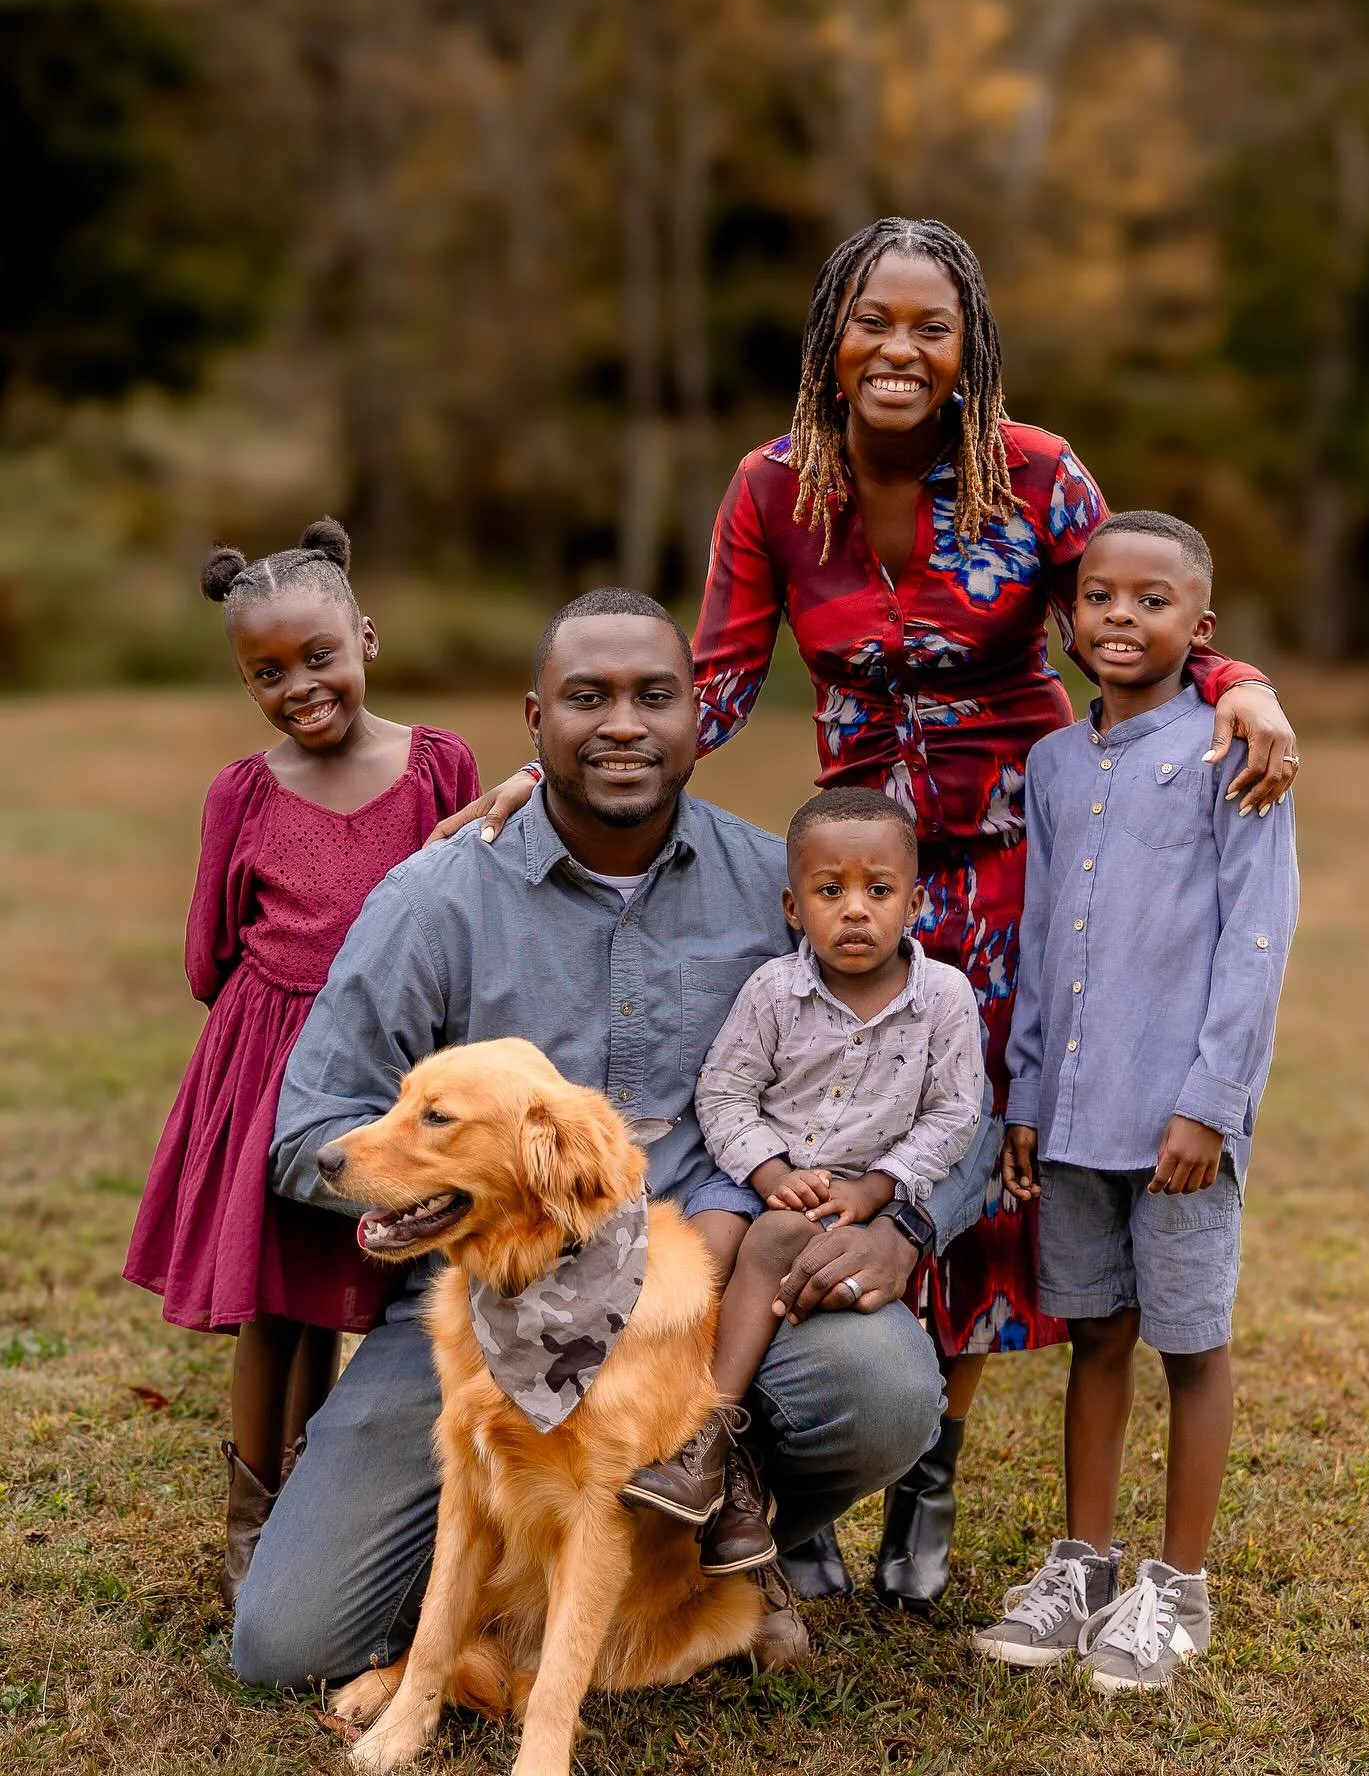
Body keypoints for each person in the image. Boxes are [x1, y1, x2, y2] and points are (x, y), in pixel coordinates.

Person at [429, 217, 1300, 1608]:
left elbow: (1135, 608)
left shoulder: (1036, 473)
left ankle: (930, 1466)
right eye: (873, 322)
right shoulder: (774, 488)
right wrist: (563, 766)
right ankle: (828, 1462)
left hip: (1015, 858)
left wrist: (1240, 683)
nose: (900, 349)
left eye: (930, 327)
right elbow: (713, 681)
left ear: (968, 350)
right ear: (831, 337)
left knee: (972, 1152)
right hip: (861, 867)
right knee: (841, 1133)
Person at [230, 589, 1000, 1689]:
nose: (624, 724)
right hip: (489, 1313)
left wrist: (906, 1228)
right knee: (289, 1646)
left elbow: (954, 1090)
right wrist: (468, 1188)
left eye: (655, 696)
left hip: (712, 1300)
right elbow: (311, 1127)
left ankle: (710, 1533)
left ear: (699, 714)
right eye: (587, 698)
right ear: (534, 719)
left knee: (881, 1389)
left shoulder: (787, 890)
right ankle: (516, 1589)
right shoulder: (437, 900)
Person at [123, 520, 480, 1608]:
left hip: (392, 1068)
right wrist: (274, 1019)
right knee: (272, 1305)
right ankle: (253, 1516)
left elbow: (466, 909)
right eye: (267, 673)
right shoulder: (242, 792)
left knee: (341, 1289)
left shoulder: (439, 767)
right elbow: (207, 955)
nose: (300, 688)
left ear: (365, 638)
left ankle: (323, 1490)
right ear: (246, 681)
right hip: (269, 1061)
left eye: (319, 657)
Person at [970, 512, 1299, 1690]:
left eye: (1152, 601)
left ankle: (1177, 1588)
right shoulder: (1054, 765)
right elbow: (1039, 932)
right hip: (1073, 1115)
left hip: (1178, 1124)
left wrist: (1212, 1101)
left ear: (1201, 627)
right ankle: (1084, 1566)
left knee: (1190, 1344)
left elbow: (1257, 937)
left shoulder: (1233, 750)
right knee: (1096, 1337)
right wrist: (1025, 1091)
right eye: (1100, 596)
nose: (1121, 616)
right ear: (1068, 619)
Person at [621, 786, 985, 1576]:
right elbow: (724, 1092)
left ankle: (708, 1440)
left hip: (855, 1201)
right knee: (700, 1250)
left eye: (878, 891)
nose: (854, 910)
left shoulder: (944, 1000)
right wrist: (770, 1170)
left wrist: (878, 1190)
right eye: (829, 891)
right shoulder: (774, 992)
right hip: (757, 1176)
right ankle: (662, 1425)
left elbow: (956, 1114)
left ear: (915, 903)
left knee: (779, 1242)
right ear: (794, 907)